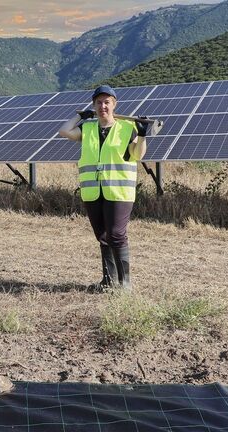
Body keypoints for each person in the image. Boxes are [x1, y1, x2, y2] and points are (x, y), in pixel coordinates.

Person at [58, 85, 149, 291]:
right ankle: (108, 280)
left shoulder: (127, 128)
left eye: (107, 102)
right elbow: (64, 131)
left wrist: (142, 135)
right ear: (94, 105)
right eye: (98, 102)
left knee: (116, 234)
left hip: (119, 192)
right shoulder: (88, 128)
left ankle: (125, 283)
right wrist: (80, 117)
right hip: (93, 191)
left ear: (114, 105)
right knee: (103, 236)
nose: (102, 106)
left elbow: (138, 155)